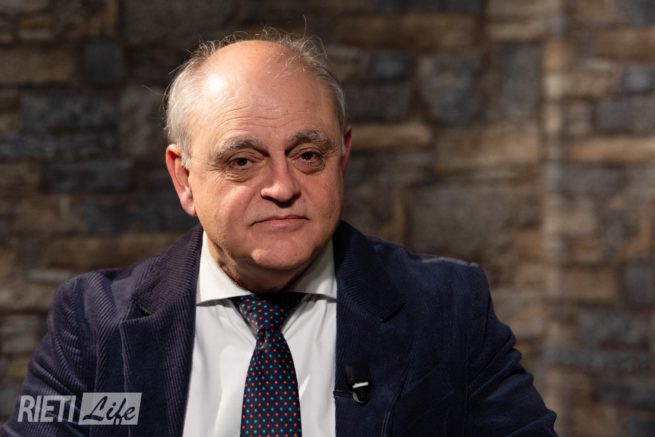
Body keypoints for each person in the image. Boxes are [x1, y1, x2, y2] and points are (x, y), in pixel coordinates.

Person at [1, 29, 557, 436]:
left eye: (308, 154)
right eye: (242, 162)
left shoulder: (448, 308)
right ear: (184, 179)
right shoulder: (96, 324)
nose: (283, 187)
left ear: (342, 157)